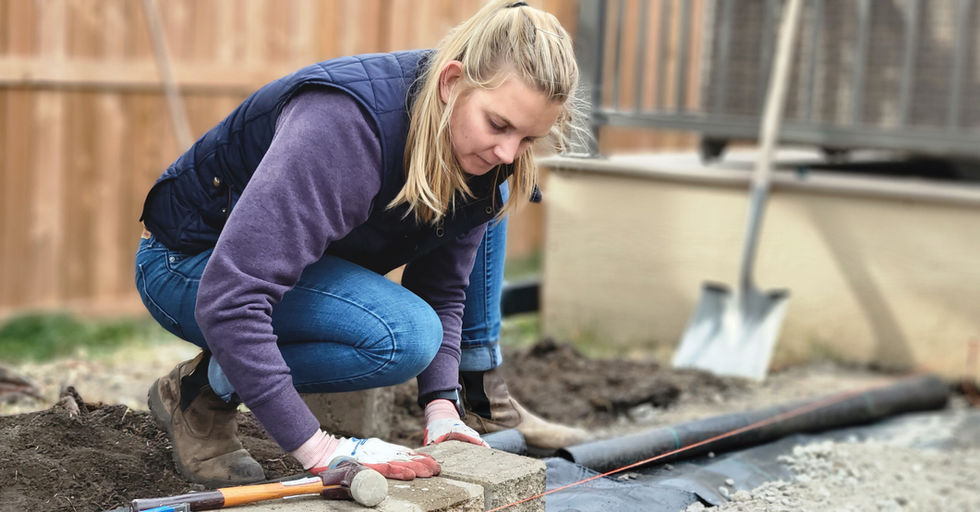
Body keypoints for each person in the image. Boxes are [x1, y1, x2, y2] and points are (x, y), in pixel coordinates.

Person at [134, 0, 587, 487]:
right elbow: (232, 297)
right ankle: (202, 392)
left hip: (294, 263)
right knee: (402, 336)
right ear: (451, 82)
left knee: (492, 201)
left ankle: (476, 396)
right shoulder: (344, 126)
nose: (507, 151)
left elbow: (445, 290)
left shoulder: (482, 149)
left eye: (527, 139)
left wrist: (442, 409)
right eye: (498, 125)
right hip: (188, 262)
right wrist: (325, 451)